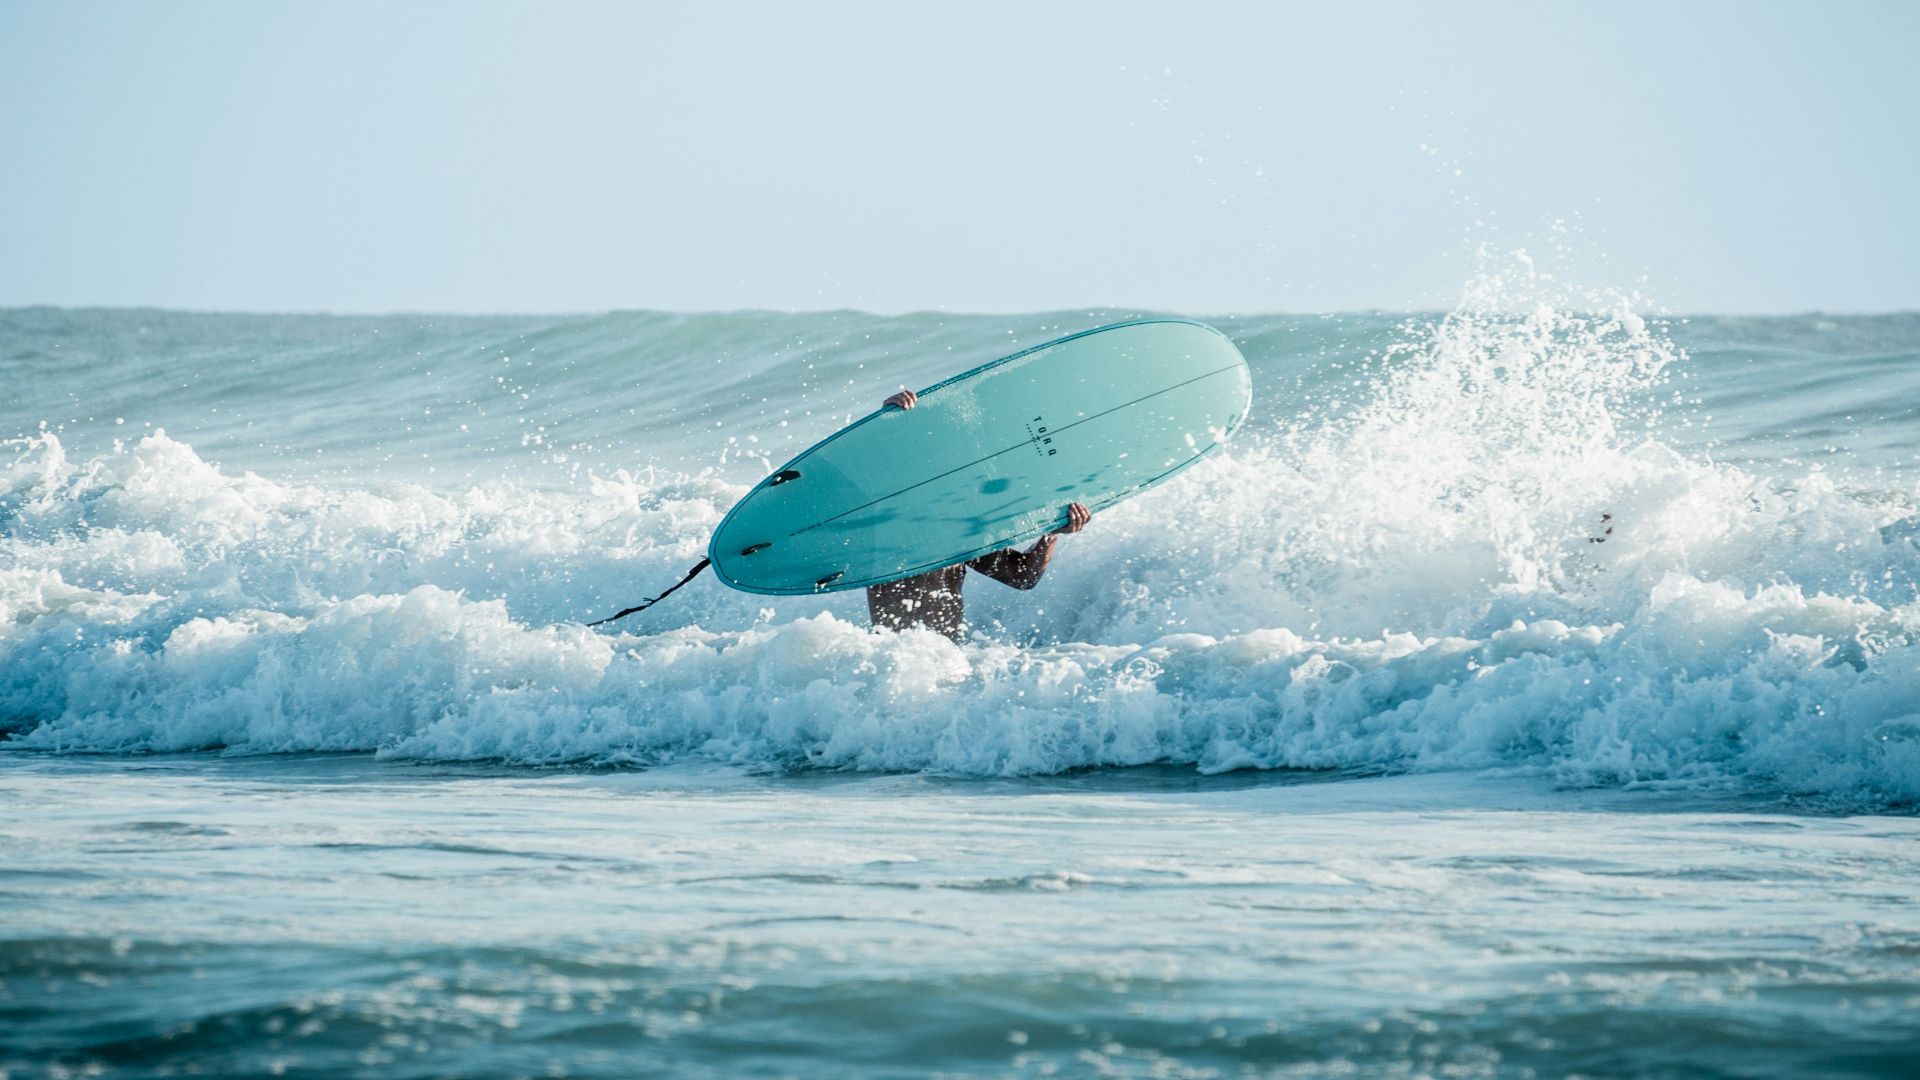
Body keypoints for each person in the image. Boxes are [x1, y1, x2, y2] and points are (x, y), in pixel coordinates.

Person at [865, 388, 1091, 640]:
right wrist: (884, 425)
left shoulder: (958, 531)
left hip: (947, 656)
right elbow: (860, 479)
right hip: (891, 657)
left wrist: (1051, 532)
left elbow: (1023, 577)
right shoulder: (875, 523)